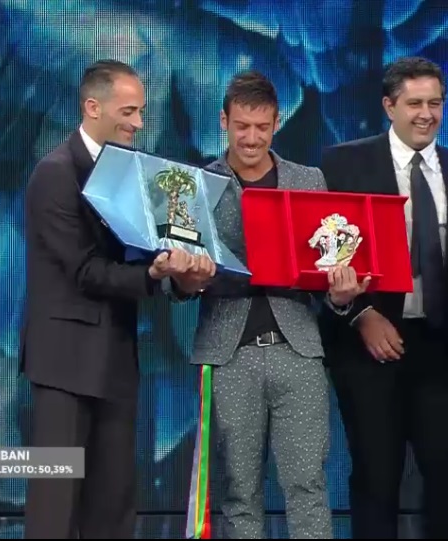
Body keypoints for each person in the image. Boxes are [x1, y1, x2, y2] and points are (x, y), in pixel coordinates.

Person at [19, 59, 215, 539]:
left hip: (116, 360)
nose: (139, 123)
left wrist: (185, 276)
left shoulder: (136, 173)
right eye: (129, 112)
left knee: (113, 503)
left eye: (142, 111)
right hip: (65, 365)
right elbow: (85, 270)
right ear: (93, 107)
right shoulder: (55, 173)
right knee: (55, 506)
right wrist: (154, 274)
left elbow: (162, 252)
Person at [169, 70, 368, 539]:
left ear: (277, 123)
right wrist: (184, 279)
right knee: (238, 492)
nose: (252, 138)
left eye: (262, 127)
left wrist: (341, 297)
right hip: (228, 355)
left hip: (297, 353)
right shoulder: (195, 185)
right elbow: (176, 286)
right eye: (242, 126)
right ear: (224, 122)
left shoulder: (309, 181)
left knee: (307, 486)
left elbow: (327, 274)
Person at [318, 56, 448, 539]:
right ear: (389, 106)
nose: (426, 114)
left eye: (435, 103)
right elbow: (321, 258)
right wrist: (361, 315)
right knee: (376, 481)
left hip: (445, 354)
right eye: (415, 103)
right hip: (370, 354)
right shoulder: (342, 164)